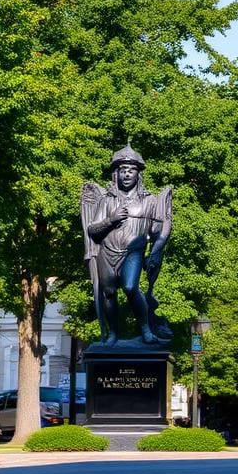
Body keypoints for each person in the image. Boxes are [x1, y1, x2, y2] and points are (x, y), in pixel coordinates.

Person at [81, 145, 173, 346]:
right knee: (109, 293)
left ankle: (146, 330)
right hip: (107, 253)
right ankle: (113, 333)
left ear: (138, 174)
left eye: (131, 170)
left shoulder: (149, 201)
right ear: (116, 174)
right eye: (122, 170)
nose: (126, 174)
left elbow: (159, 232)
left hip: (133, 251)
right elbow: (92, 230)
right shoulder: (107, 200)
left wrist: (155, 253)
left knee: (131, 287)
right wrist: (111, 220)